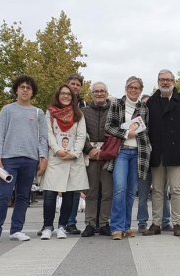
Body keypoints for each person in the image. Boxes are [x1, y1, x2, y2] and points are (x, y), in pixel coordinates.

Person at [0, 75, 48, 243]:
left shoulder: (38, 113)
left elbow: (43, 137)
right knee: (4, 195)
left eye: (28, 88)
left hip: (30, 159)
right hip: (9, 159)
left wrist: (43, 157)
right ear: (16, 90)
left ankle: (16, 229)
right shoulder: (7, 109)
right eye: (22, 87)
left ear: (32, 92)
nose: (25, 90)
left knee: (23, 196)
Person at [142, 69, 180, 237]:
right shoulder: (151, 102)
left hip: (177, 153)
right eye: (162, 79)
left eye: (168, 79)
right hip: (157, 153)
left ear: (174, 81)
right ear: (158, 82)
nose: (165, 82)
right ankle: (156, 223)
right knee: (157, 190)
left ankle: (177, 223)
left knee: (176, 189)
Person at [39, 84, 89, 240]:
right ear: (58, 95)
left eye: (68, 94)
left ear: (72, 97)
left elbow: (82, 136)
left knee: (69, 195)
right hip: (56, 157)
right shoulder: (50, 113)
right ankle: (47, 226)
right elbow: (48, 133)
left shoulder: (78, 114)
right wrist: (57, 150)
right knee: (49, 194)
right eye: (63, 93)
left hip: (73, 159)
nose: (66, 96)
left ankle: (62, 226)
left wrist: (74, 153)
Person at [105, 76, 151, 240]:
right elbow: (108, 126)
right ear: (126, 89)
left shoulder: (144, 107)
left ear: (140, 91)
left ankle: (126, 226)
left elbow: (146, 129)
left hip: (138, 153)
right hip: (121, 152)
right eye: (131, 87)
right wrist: (126, 133)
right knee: (119, 189)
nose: (133, 90)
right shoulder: (117, 104)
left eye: (137, 88)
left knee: (131, 191)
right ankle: (116, 227)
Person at [80, 81, 114, 237]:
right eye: (96, 91)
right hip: (91, 156)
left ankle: (104, 223)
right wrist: (90, 149)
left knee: (107, 192)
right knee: (91, 192)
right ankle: (90, 223)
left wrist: (106, 151)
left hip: (108, 157)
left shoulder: (114, 110)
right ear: (92, 94)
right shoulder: (84, 112)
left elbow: (116, 133)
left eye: (102, 91)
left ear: (107, 93)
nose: (99, 94)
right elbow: (80, 134)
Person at [137, 94, 172, 234]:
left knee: (162, 192)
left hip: (159, 159)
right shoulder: (139, 121)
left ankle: (165, 221)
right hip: (145, 160)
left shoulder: (159, 120)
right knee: (143, 194)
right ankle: (142, 222)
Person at [65, 73, 86, 235]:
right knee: (55, 189)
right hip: (60, 150)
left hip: (77, 151)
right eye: (72, 83)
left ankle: (71, 222)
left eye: (78, 84)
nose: (75, 86)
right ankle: (51, 224)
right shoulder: (58, 103)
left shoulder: (83, 105)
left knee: (73, 190)